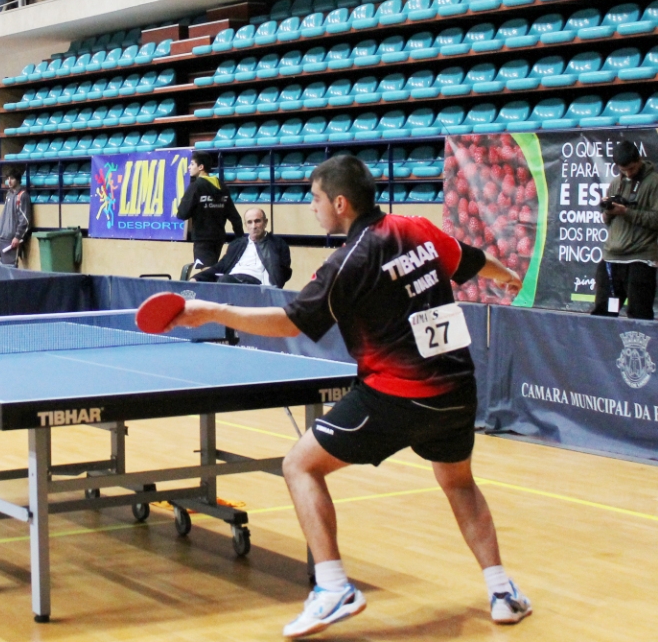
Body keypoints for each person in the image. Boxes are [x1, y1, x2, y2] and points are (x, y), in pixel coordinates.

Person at [163, 155, 531, 638]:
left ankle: (334, 587)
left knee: (300, 466)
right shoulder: (416, 228)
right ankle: (502, 591)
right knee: (459, 484)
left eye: (315, 199)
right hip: (457, 390)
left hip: (396, 396)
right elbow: (469, 259)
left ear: (340, 202)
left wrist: (213, 309)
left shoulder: (349, 262)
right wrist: (507, 276)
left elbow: (290, 322)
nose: (312, 208)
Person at [591, 140, 658, 320]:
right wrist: (608, 210)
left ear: (639, 159)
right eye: (623, 170)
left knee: (639, 315)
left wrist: (626, 212)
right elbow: (607, 222)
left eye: (632, 169)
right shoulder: (616, 183)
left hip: (640, 258)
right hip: (612, 257)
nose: (628, 173)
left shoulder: (654, 182)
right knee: (602, 313)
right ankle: (600, 349)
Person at [177, 151, 244, 268]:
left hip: (202, 238)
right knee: (212, 269)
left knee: (204, 273)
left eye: (192, 164)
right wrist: (240, 238)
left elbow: (182, 214)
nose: (189, 167)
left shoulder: (196, 186)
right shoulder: (222, 186)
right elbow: (234, 216)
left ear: (201, 167)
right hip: (218, 238)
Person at [192, 207, 291, 287]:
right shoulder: (237, 244)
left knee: (224, 281)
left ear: (265, 222)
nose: (253, 226)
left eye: (257, 221)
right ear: (245, 225)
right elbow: (220, 267)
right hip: (231, 280)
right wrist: (197, 278)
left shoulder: (277, 244)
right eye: (250, 222)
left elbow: (283, 273)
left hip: (256, 285)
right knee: (221, 281)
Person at [0, 166, 31, 266]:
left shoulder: (22, 196)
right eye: (8, 178)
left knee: (10, 266)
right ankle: (1, 260)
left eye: (12, 178)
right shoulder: (9, 194)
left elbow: (25, 220)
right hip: (1, 234)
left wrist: (17, 237)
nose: (9, 181)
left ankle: (5, 262)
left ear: (18, 180)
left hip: (11, 236)